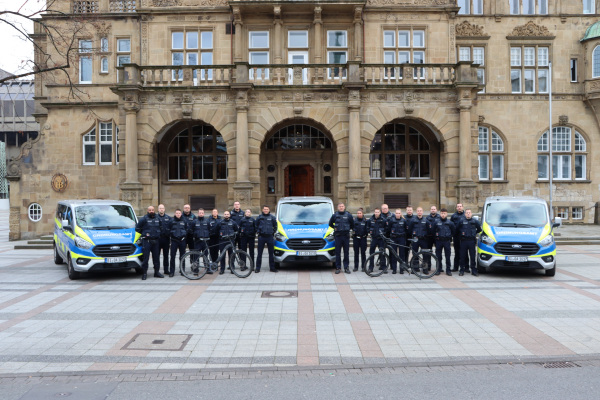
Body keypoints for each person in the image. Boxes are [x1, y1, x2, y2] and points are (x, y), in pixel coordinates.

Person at [135, 205, 164, 280]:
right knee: (146, 258)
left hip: (156, 241)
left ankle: (156, 272)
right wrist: (144, 234)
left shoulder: (158, 218)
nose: (151, 211)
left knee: (156, 258)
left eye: (152, 210)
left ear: (154, 210)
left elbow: (161, 228)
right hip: (147, 241)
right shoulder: (143, 219)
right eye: (150, 210)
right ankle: (144, 273)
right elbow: (137, 228)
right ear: (147, 211)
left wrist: (158, 235)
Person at [328, 203, 355, 274]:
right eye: (340, 206)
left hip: (346, 236)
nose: (341, 207)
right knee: (337, 253)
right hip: (338, 236)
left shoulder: (349, 215)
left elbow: (352, 224)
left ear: (344, 207)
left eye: (342, 206)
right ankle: (338, 267)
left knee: (346, 253)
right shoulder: (334, 215)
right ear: (337, 207)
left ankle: (346, 267)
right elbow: (330, 224)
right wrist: (335, 229)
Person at [458, 208, 482, 276]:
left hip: (471, 241)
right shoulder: (461, 221)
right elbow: (457, 229)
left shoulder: (475, 221)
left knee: (472, 256)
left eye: (469, 212)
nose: (468, 214)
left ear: (471, 214)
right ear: (465, 214)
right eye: (467, 212)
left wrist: (474, 233)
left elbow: (479, 230)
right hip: (463, 241)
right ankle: (462, 270)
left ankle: (473, 270)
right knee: (462, 256)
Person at [189, 208, 213, 275]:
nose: (201, 214)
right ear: (198, 213)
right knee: (196, 256)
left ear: (204, 213)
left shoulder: (207, 221)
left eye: (202, 213)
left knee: (205, 255)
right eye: (200, 213)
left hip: (205, 242)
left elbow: (210, 230)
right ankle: (196, 270)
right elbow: (191, 230)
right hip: (197, 242)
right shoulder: (194, 221)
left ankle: (207, 269)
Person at [255, 205, 278, 273]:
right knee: (259, 254)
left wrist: (273, 232)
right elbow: (256, 226)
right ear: (262, 210)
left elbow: (275, 226)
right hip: (261, 237)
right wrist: (258, 232)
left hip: (270, 237)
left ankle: (272, 268)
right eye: (264, 209)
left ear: (269, 210)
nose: (265, 210)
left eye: (267, 209)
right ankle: (257, 268)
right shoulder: (259, 217)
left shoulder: (272, 217)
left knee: (271, 254)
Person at [407, 207, 430, 273]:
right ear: (416, 212)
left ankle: (425, 269)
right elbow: (409, 230)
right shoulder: (413, 220)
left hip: (424, 240)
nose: (419, 212)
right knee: (415, 254)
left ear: (422, 212)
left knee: (425, 254)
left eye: (420, 211)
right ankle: (415, 269)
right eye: (418, 211)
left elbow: (429, 230)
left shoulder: (426, 220)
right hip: (415, 239)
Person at [434, 208, 455, 276]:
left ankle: (448, 270)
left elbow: (453, 231)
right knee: (438, 256)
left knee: (448, 256)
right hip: (439, 241)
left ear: (447, 214)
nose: (443, 215)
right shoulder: (436, 222)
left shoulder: (450, 223)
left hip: (446, 241)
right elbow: (433, 231)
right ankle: (438, 269)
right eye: (442, 213)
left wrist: (449, 236)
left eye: (444, 213)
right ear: (440, 214)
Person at [167, 209, 188, 277]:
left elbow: (187, 229)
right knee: (172, 256)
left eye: (179, 213)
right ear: (175, 214)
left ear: (181, 214)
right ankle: (172, 272)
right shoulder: (171, 221)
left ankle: (182, 270)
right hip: (174, 241)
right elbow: (168, 229)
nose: (178, 214)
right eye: (177, 213)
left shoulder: (184, 220)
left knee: (182, 256)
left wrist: (184, 236)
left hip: (182, 241)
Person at [387, 208, 407, 274]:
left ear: (400, 214)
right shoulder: (391, 220)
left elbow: (406, 230)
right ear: (395, 214)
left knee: (402, 254)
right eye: (396, 213)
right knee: (394, 254)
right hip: (394, 239)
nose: (398, 214)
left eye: (399, 213)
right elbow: (388, 229)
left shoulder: (404, 220)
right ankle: (394, 269)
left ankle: (401, 269)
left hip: (401, 238)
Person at [367, 208, 387, 273]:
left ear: (380, 213)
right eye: (375, 212)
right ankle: (371, 267)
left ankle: (383, 267)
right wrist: (370, 232)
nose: (376, 213)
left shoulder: (383, 220)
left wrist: (383, 234)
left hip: (381, 239)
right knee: (371, 253)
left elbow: (386, 228)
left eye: (378, 212)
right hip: (374, 239)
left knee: (382, 253)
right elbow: (367, 227)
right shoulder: (370, 219)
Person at [156, 204, 171, 276]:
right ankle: (157, 270)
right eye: (160, 208)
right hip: (158, 239)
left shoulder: (168, 218)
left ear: (164, 209)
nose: (161, 209)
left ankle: (166, 269)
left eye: (162, 208)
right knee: (157, 255)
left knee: (166, 255)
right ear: (158, 209)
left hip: (166, 239)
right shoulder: (155, 217)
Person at [451, 203, 466, 272]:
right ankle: (455, 267)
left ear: (462, 207)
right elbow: (451, 225)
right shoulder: (453, 216)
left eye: (460, 206)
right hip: (456, 236)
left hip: (464, 237)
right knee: (457, 252)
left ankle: (466, 267)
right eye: (458, 206)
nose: (459, 207)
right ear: (456, 208)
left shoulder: (465, 215)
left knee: (464, 252)